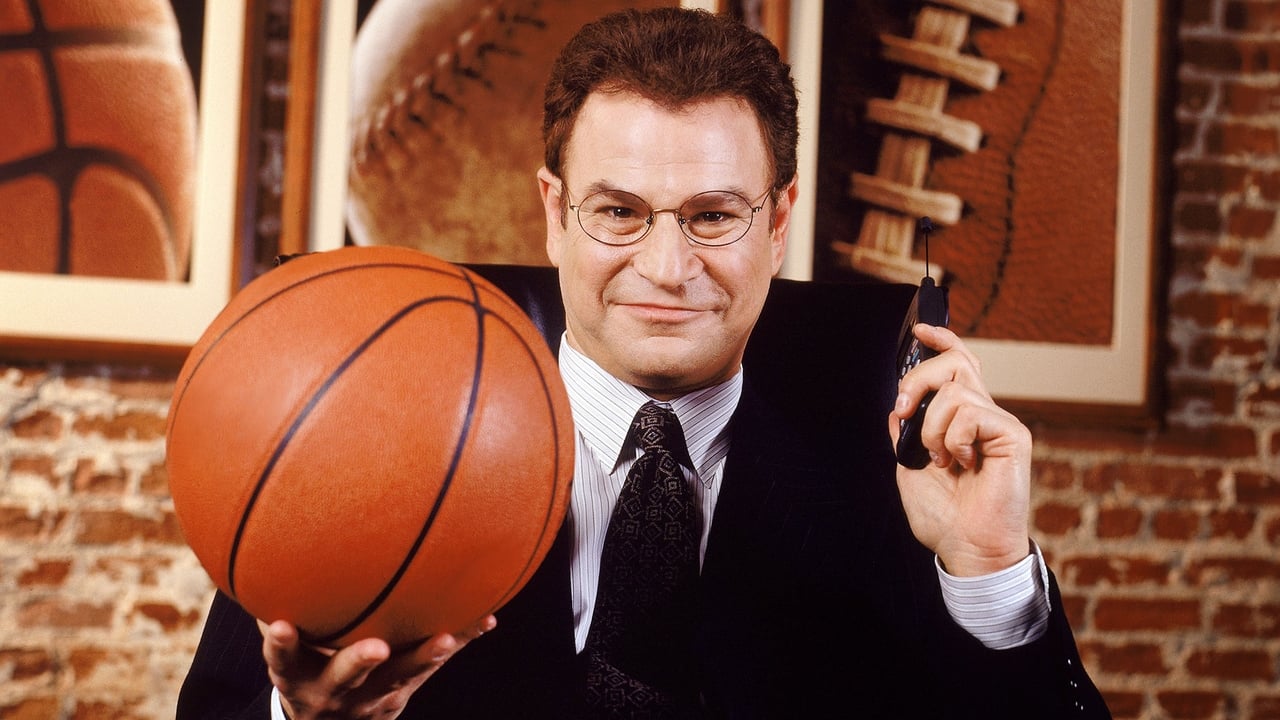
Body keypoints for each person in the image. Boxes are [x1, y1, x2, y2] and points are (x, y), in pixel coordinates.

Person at [177, 8, 1109, 719]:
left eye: (713, 216)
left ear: (778, 222)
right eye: (619, 212)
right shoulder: (362, 439)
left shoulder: (904, 477)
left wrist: (990, 574)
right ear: (555, 213)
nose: (667, 268)